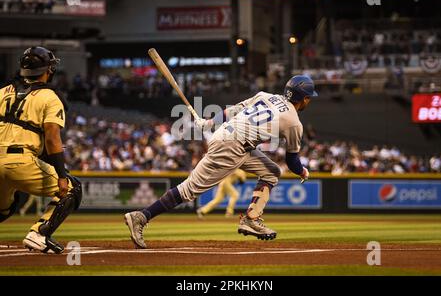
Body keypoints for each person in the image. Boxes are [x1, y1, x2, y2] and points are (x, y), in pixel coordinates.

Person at [124, 75, 317, 248]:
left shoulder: (266, 96)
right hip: (232, 146)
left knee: (272, 172)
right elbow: (292, 160)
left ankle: (251, 218)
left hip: (231, 138)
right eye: (309, 97)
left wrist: (209, 123)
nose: (310, 101)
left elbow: (232, 110)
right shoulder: (294, 122)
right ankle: (141, 217)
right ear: (304, 98)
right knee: (189, 189)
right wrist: (302, 172)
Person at [0, 46, 82, 254]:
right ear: (48, 70)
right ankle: (40, 233)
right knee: (73, 188)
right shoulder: (50, 97)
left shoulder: (2, 92)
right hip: (19, 161)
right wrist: (62, 175)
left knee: (5, 206)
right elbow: (53, 139)